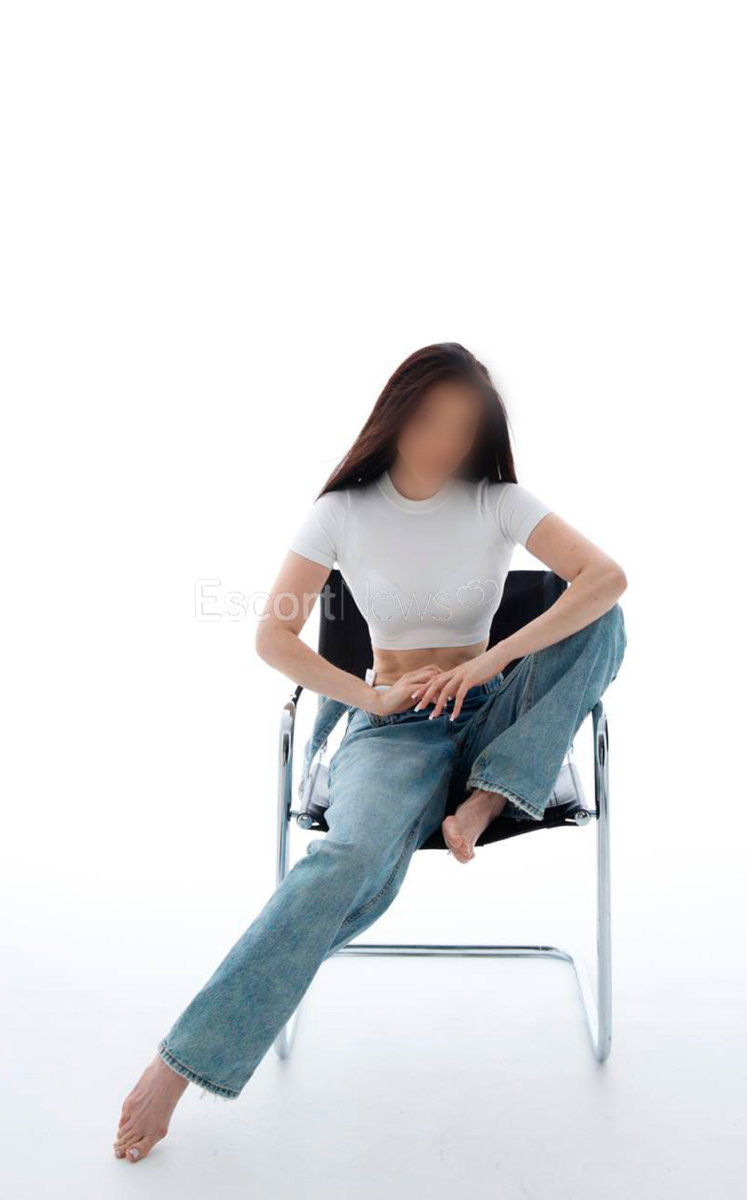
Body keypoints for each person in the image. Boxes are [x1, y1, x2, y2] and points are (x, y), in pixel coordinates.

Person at [113, 342, 627, 1162]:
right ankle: (182, 1064)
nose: (443, 442)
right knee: (347, 858)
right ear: (395, 414)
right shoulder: (341, 513)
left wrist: (490, 661)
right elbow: (273, 637)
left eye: (462, 428)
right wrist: (372, 698)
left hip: (494, 714)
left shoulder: (498, 501)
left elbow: (605, 578)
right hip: (395, 723)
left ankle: (490, 793)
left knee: (603, 618)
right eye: (429, 420)